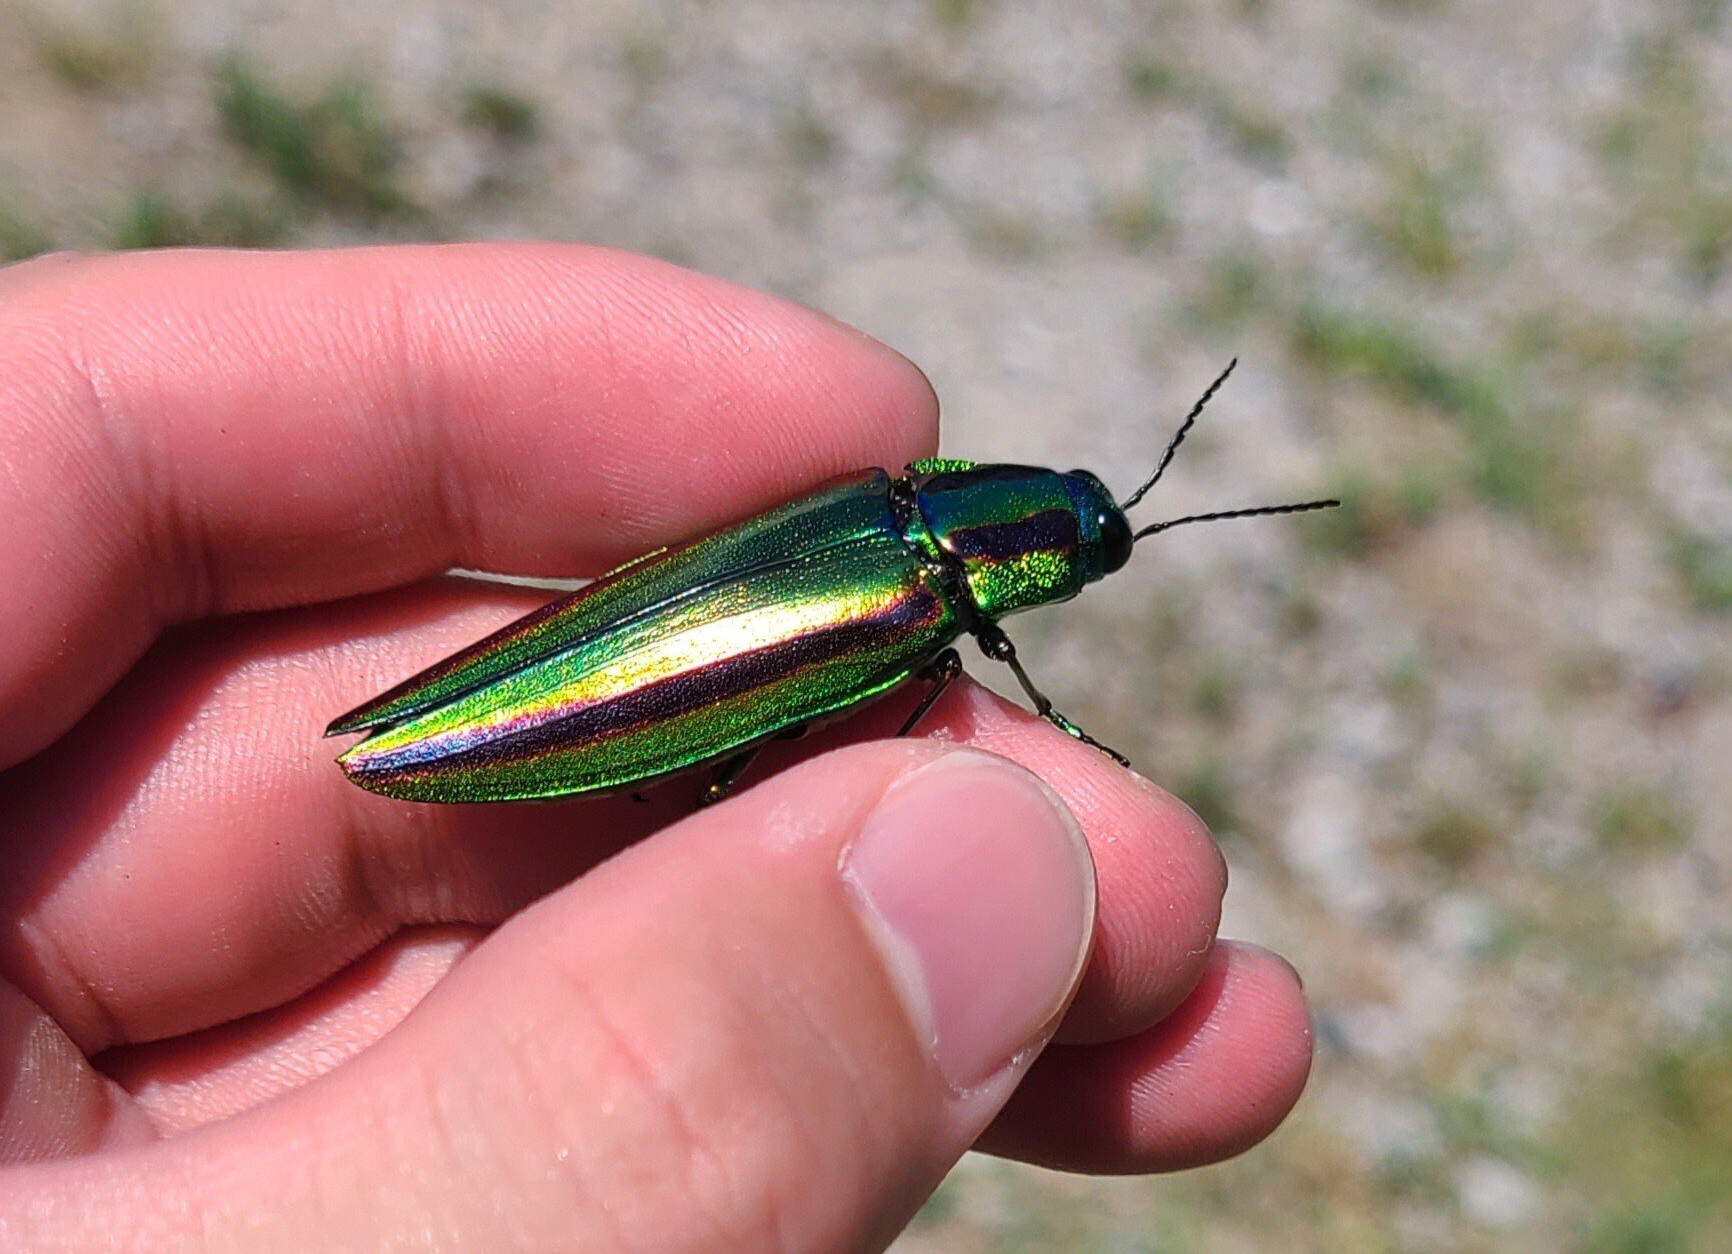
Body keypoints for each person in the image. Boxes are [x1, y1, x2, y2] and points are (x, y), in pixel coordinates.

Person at [0, 245, 1311, 1251]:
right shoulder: (926, 629)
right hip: (648, 692)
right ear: (1033, 560)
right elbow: (967, 681)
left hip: (701, 624)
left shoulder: (879, 502)